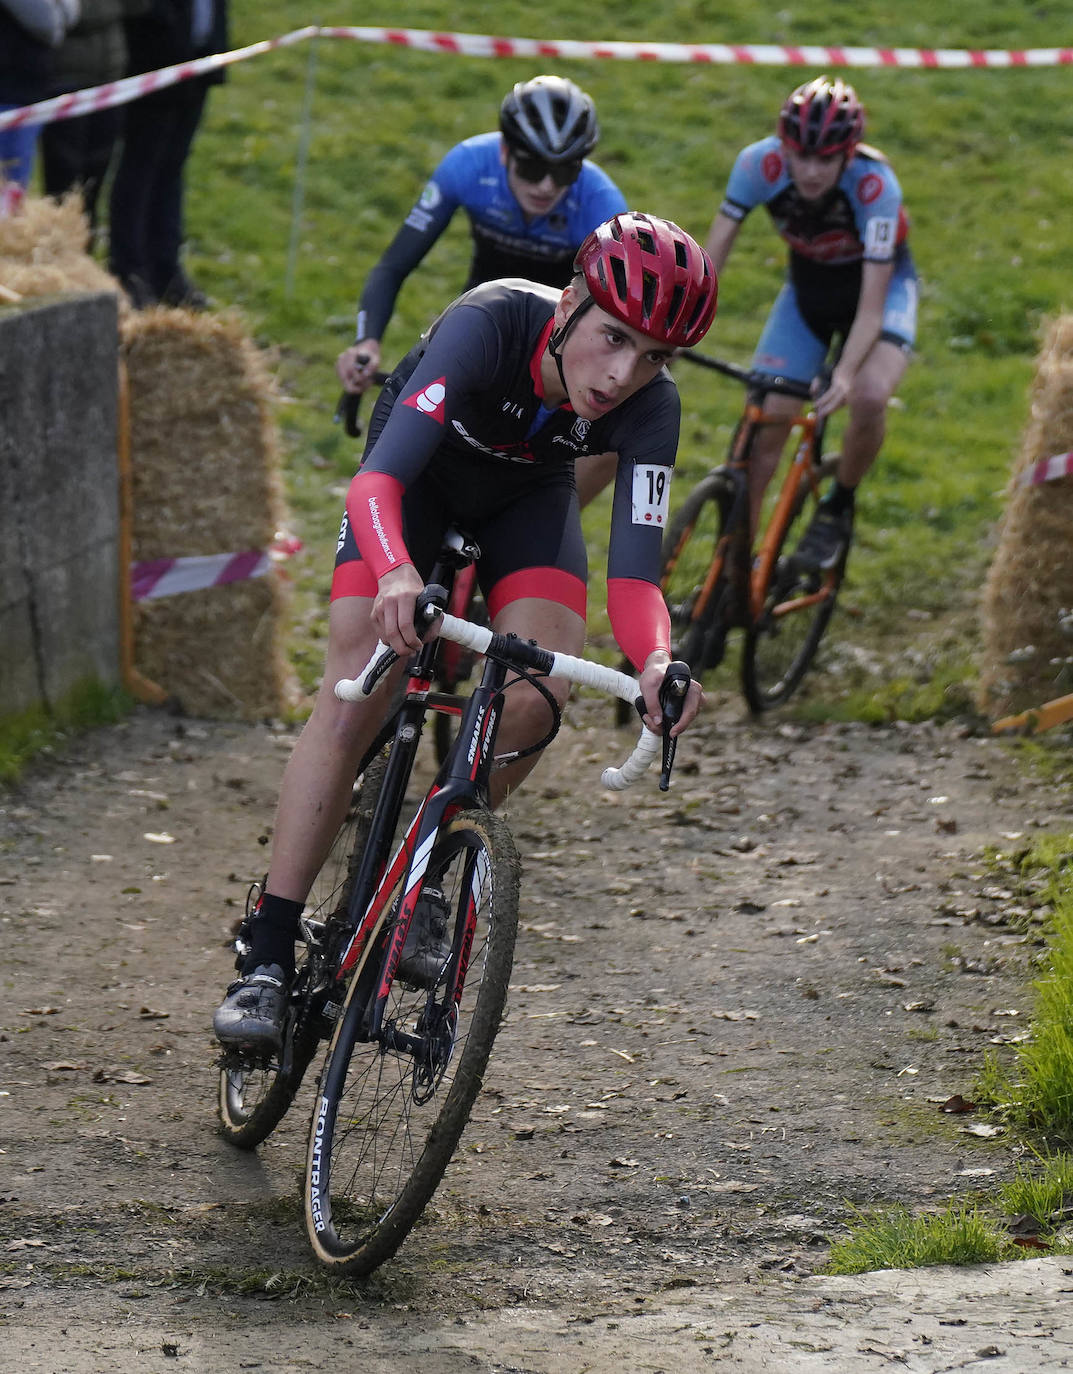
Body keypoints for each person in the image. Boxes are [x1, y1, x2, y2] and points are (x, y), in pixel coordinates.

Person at [214, 211, 718, 1049]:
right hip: (417, 479)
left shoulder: (650, 410)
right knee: (354, 690)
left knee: (536, 698)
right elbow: (374, 484)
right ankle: (265, 954)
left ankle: (430, 873)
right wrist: (397, 573)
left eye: (655, 356)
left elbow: (634, 579)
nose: (624, 374)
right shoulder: (489, 322)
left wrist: (659, 661)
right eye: (614, 337)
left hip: (528, 495)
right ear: (569, 304)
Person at [336, 74, 628, 506]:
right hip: (482, 321)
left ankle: (545, 520)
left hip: (559, 340)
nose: (547, 185)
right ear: (505, 151)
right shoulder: (469, 165)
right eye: (531, 166)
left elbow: (618, 318)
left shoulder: (603, 204)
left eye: (564, 170)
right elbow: (393, 266)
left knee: (607, 442)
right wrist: (367, 340)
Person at [704, 75, 917, 569]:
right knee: (762, 440)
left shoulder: (875, 186)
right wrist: (673, 326)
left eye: (825, 159)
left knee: (866, 394)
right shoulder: (758, 164)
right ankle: (733, 581)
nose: (811, 171)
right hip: (808, 295)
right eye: (800, 155)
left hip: (877, 297)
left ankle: (837, 504)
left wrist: (843, 372)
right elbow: (710, 260)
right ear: (784, 146)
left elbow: (870, 308)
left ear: (849, 152)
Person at [107, 0, 228, 307]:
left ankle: (166, 270)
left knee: (172, 168)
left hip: (199, 63)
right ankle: (130, 272)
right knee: (141, 168)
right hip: (157, 60)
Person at [41, 0, 142, 240]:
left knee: (94, 181)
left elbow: (138, 7)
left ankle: (84, 258)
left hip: (109, 76)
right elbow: (68, 16)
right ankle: (55, 255)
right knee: (64, 185)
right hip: (66, 78)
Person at [0, 0, 79, 213]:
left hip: (27, 87)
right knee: (9, 192)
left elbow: (72, 12)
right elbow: (47, 23)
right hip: (10, 89)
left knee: (15, 191)